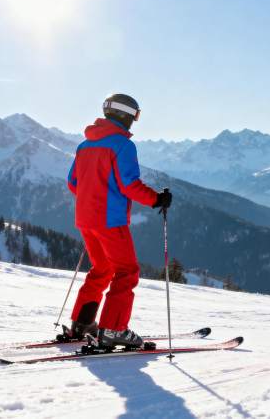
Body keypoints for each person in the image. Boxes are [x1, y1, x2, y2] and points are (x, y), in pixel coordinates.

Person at [65, 93, 173, 348]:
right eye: (135, 117)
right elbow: (129, 185)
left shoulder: (84, 145)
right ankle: (114, 329)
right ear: (126, 115)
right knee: (126, 272)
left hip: (85, 219)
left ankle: (82, 323)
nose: (134, 122)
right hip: (110, 221)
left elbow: (73, 183)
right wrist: (156, 199)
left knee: (102, 269)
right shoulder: (122, 145)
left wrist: (92, 198)